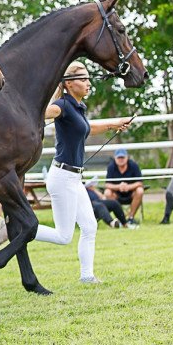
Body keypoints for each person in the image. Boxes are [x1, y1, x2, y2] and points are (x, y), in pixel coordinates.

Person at [35, 61, 132, 284]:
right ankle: (16, 228)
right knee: (63, 236)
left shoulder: (78, 107)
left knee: (89, 226)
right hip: (61, 178)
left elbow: (86, 128)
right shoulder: (62, 105)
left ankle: (87, 276)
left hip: (74, 178)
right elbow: (38, 114)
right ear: (68, 84)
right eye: (83, 79)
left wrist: (114, 123)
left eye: (89, 79)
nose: (89, 83)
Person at [104, 149, 144, 225]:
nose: (121, 160)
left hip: (131, 193)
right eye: (119, 158)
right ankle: (121, 217)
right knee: (107, 192)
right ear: (115, 158)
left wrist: (128, 187)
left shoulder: (134, 165)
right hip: (116, 195)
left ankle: (131, 217)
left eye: (122, 157)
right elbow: (107, 184)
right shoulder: (111, 167)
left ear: (127, 158)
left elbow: (140, 183)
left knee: (140, 190)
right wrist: (119, 187)